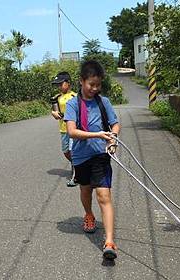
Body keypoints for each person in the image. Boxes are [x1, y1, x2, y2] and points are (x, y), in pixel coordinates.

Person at [64, 60, 121, 260]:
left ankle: (109, 242)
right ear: (81, 81)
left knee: (104, 196)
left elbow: (114, 125)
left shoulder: (103, 102)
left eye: (98, 85)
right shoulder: (72, 104)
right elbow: (71, 132)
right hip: (80, 157)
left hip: (101, 156)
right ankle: (88, 214)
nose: (95, 89)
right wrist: (97, 135)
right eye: (91, 85)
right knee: (85, 190)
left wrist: (113, 140)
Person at [50, 71, 77, 187]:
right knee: (66, 152)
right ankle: (76, 164)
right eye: (58, 85)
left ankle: (75, 177)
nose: (60, 87)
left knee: (73, 151)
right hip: (63, 129)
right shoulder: (57, 98)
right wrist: (53, 113)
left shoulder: (76, 97)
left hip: (74, 129)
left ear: (68, 83)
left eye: (61, 84)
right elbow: (54, 110)